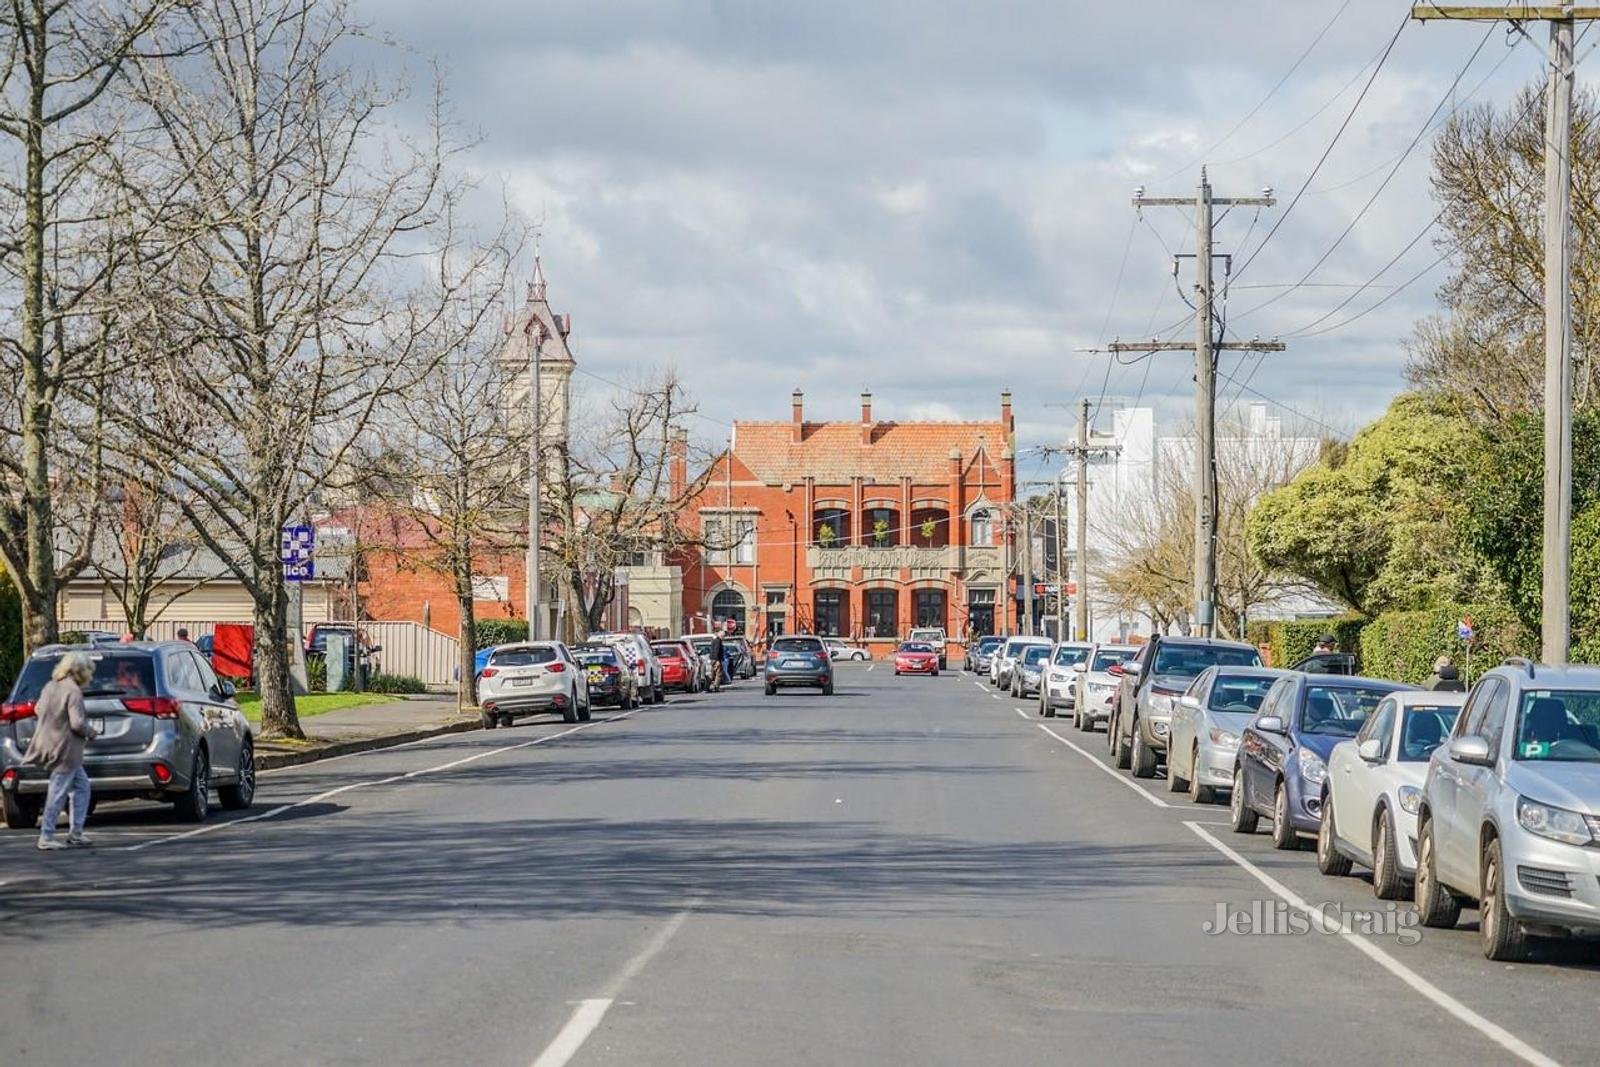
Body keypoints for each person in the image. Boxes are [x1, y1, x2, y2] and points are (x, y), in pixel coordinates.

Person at [22, 652, 98, 850]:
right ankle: (46, 835)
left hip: (51, 743)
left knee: (81, 786)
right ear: (80, 671)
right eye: (88, 671)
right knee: (58, 791)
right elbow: (77, 723)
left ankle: (76, 832)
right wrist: (91, 732)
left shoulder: (51, 686)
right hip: (66, 749)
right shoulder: (73, 691)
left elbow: (38, 709)